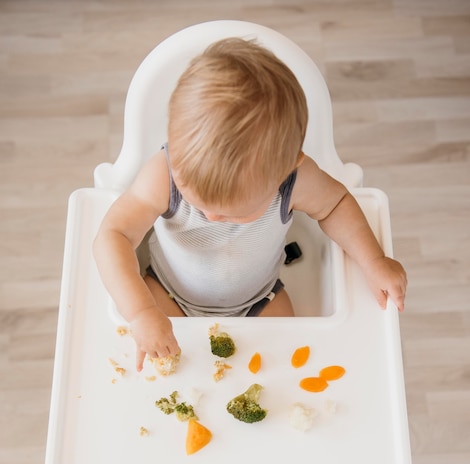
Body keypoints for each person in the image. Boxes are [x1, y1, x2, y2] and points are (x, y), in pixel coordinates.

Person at [93, 37, 407, 372]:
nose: (212, 217)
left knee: (287, 370)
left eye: (234, 213)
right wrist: (141, 312)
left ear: (287, 169)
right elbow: (112, 235)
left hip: (260, 299)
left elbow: (336, 204)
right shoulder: (163, 175)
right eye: (198, 202)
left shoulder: (295, 179)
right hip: (169, 296)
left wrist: (373, 260)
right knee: (166, 375)